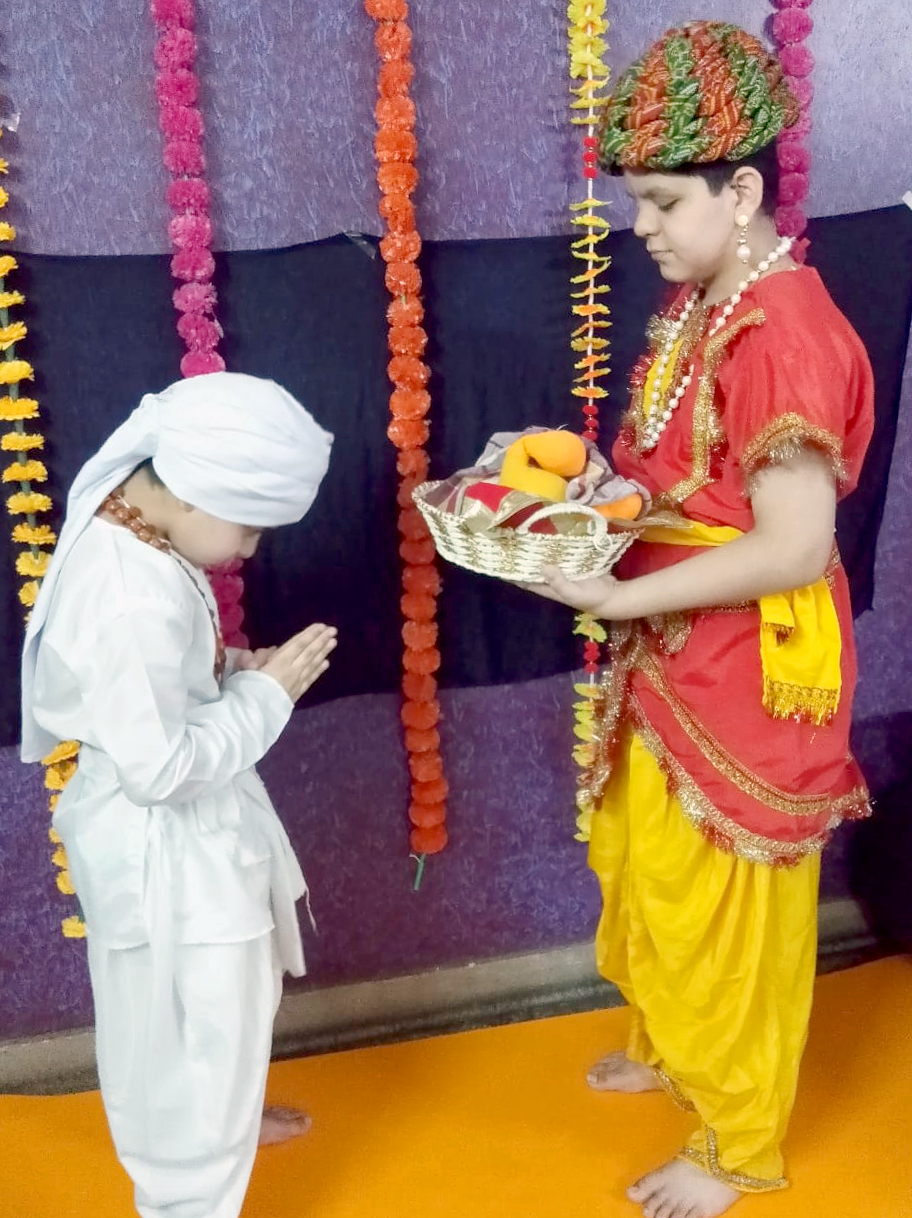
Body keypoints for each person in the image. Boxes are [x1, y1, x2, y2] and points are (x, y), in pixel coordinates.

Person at [520, 22, 874, 1218]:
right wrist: (596, 502)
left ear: (743, 189)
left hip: (739, 667)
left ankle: (735, 1144)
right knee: (648, 872)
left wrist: (613, 589)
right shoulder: (699, 306)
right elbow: (682, 481)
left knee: (722, 911)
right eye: (637, 205)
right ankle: (671, 1050)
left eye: (666, 203)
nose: (645, 230)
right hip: (665, 655)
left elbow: (792, 545)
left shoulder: (781, 334)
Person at [21, 372, 337, 1218]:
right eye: (250, 525)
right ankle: (188, 1189)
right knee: (189, 1022)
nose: (252, 549)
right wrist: (270, 695)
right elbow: (159, 773)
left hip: (179, 839)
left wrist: (233, 668)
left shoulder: (138, 533)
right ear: (196, 491)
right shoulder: (131, 592)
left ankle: (220, 1117)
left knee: (216, 1009)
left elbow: (146, 688)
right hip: (166, 844)